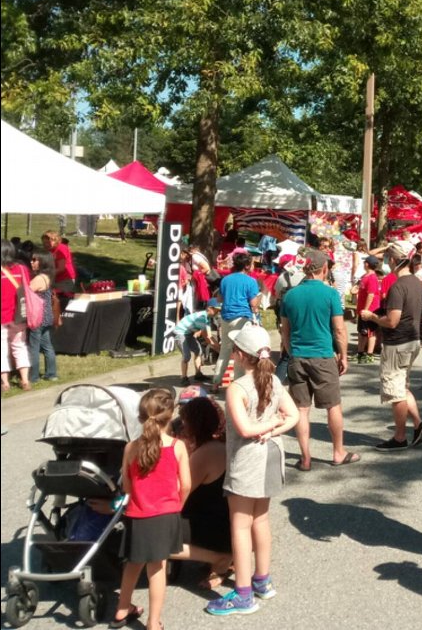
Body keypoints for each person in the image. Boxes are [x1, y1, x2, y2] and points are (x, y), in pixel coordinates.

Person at [206, 325, 298, 615]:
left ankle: (243, 593)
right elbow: (293, 415)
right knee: (262, 519)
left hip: (247, 461)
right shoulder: (273, 380)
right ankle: (262, 579)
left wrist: (268, 426)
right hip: (272, 454)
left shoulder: (237, 388)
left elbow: (245, 429)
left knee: (241, 524)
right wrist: (275, 429)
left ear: (240, 354)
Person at [111, 389, 191, 630]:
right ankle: (153, 622)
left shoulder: (130, 448)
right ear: (171, 415)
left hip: (137, 514)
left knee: (133, 563)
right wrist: (178, 504)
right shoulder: (177, 447)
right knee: (157, 568)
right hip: (165, 514)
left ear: (140, 416)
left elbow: (126, 485)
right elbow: (186, 484)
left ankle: (122, 608)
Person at [279, 250, 359, 470]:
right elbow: (340, 329)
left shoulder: (290, 295)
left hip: (298, 356)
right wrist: (343, 355)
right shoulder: (330, 294)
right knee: (333, 405)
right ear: (324, 268)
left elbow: (284, 331)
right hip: (323, 356)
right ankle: (338, 452)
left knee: (302, 409)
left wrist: (291, 351)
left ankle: (305, 459)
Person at [362, 239, 422, 451]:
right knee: (402, 385)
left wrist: (372, 317)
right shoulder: (416, 283)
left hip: (397, 343)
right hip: (412, 339)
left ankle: (400, 437)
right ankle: (418, 424)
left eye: (388, 259)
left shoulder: (398, 286)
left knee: (395, 391)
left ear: (393, 260)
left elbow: (392, 320)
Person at [170, 393, 232, 590]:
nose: (183, 428)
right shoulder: (221, 443)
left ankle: (219, 558)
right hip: (223, 520)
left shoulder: (206, 453)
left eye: (186, 423)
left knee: (152, 538)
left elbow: (179, 490)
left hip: (212, 527)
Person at [214, 253, 260, 388]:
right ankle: (238, 384)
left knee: (225, 350)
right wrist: (259, 298)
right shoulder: (251, 281)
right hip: (241, 317)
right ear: (247, 266)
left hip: (226, 316)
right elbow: (253, 303)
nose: (253, 266)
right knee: (241, 351)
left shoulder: (226, 279)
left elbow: (219, 299)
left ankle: (215, 383)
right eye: (251, 264)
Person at [1, 240, 32, 392]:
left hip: (2, 315)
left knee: (1, 349)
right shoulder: (22, 268)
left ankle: (5, 382)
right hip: (19, 314)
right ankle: (25, 380)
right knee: (20, 346)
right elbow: (27, 289)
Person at [27, 250, 58, 383]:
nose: (31, 262)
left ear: (42, 262)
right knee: (47, 346)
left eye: (34, 260)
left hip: (37, 317)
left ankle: (33, 377)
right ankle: (51, 374)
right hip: (47, 316)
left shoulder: (39, 279)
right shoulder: (47, 276)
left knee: (34, 347)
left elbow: (26, 293)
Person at [355, 255, 382, 365]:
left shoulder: (372, 277)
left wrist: (366, 310)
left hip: (370, 309)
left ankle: (369, 354)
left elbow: (371, 294)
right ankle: (360, 353)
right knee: (362, 332)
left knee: (370, 332)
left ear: (367, 264)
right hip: (362, 308)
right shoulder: (365, 276)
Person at [40, 230, 76, 302]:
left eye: (48, 242)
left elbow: (61, 268)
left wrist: (45, 275)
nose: (46, 244)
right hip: (54, 279)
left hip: (65, 280)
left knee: (61, 301)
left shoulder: (61, 248)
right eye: (44, 242)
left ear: (56, 240)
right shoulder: (49, 250)